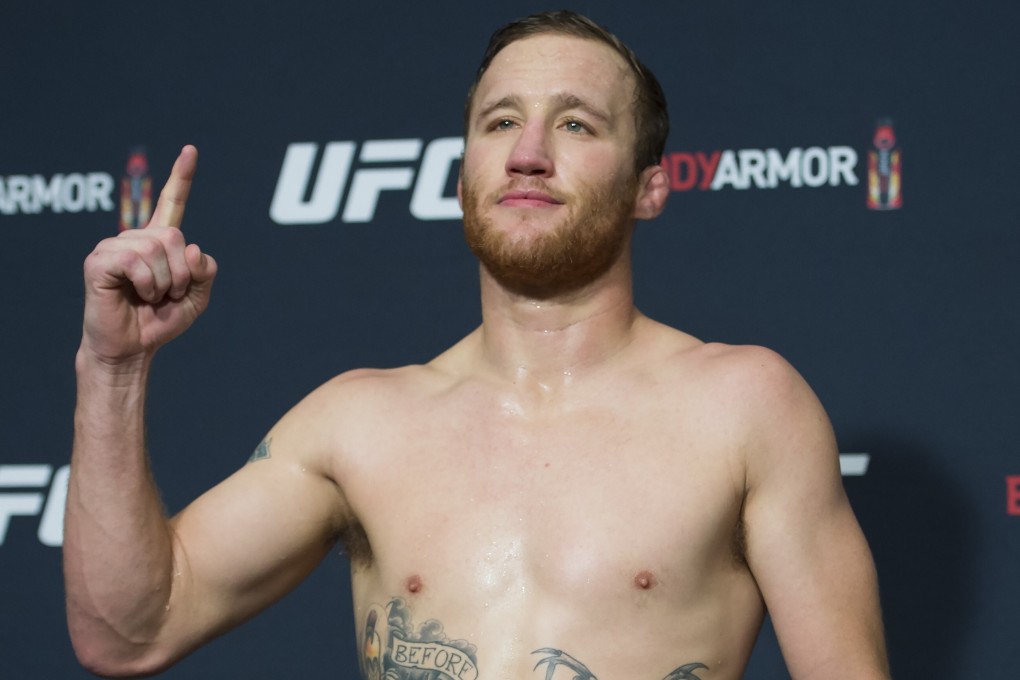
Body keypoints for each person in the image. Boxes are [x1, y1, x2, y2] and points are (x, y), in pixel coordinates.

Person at [64, 10, 891, 680]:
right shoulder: (359, 424)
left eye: (575, 123)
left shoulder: (745, 408)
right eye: (501, 123)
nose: (528, 154)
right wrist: (113, 368)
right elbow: (129, 633)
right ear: (463, 178)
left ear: (649, 188)